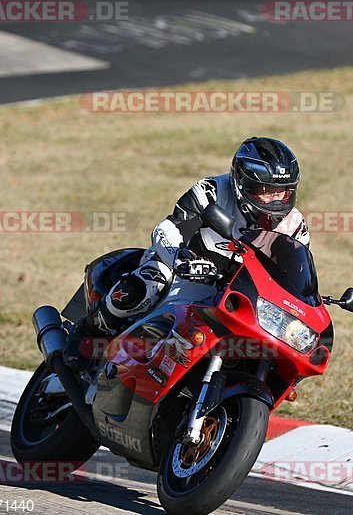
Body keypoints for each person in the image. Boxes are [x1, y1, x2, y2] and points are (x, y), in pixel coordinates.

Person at [63, 137, 310, 368]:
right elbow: (168, 228)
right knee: (149, 284)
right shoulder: (212, 190)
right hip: (183, 269)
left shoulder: (294, 225)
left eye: (282, 191)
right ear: (242, 183)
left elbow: (293, 275)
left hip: (236, 292)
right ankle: (87, 334)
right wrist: (181, 258)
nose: (275, 200)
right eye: (265, 191)